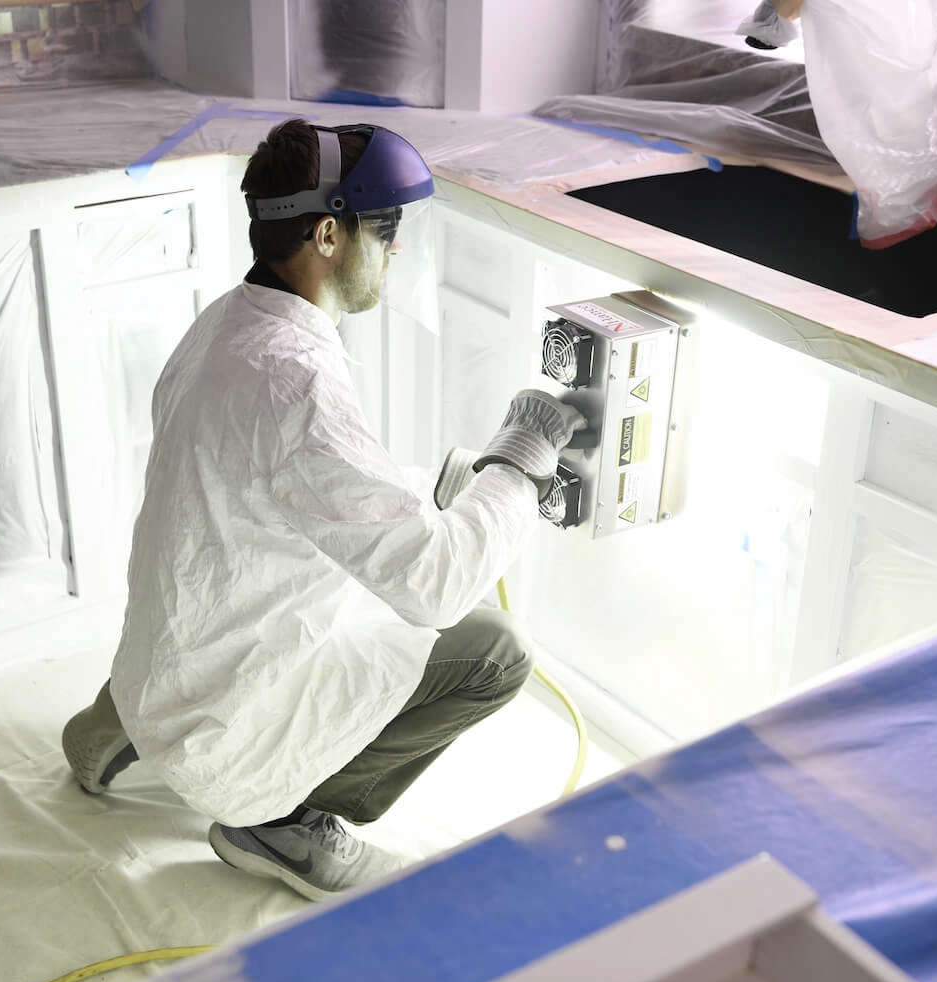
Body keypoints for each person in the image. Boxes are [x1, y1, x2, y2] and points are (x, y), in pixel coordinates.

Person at [61, 119, 584, 901]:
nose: (398, 249)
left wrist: (433, 487)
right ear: (330, 233)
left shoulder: (227, 326)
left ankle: (116, 724)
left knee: (337, 606)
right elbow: (436, 585)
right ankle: (279, 822)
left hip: (160, 672)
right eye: (390, 228)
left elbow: (269, 490)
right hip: (228, 727)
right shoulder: (299, 379)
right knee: (498, 651)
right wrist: (520, 461)